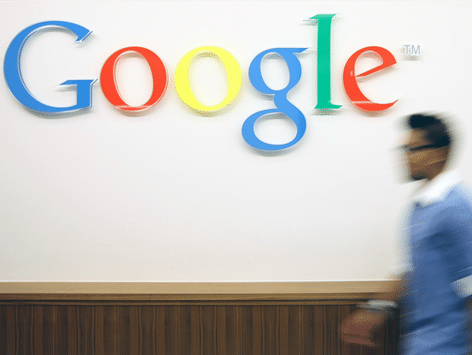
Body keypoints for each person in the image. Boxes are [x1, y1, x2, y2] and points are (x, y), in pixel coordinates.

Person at [340, 113, 472, 355]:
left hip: (448, 346)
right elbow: (409, 269)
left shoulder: (457, 208)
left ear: (439, 153)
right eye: (404, 149)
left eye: (413, 149)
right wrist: (375, 310)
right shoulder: (419, 207)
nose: (405, 157)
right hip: (420, 343)